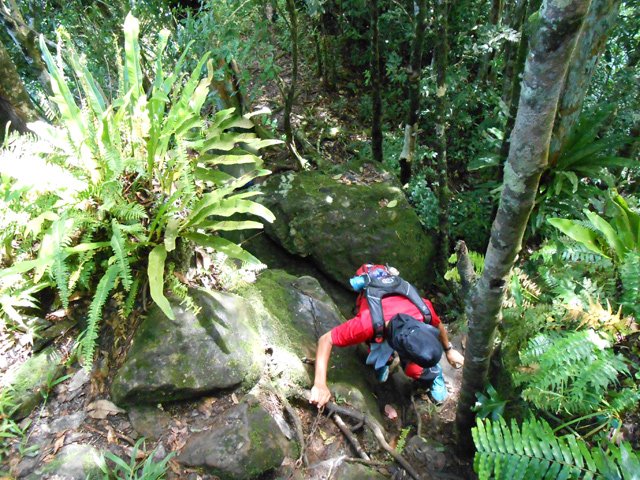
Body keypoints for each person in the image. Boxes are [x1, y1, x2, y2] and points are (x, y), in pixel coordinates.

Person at [309, 264, 465, 409]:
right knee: (374, 342)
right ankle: (385, 361)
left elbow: (437, 324)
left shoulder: (423, 311)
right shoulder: (366, 325)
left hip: (385, 315)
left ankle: (434, 375)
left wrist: (449, 350)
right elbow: (326, 339)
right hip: (376, 313)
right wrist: (320, 384)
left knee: (414, 369)